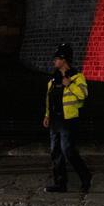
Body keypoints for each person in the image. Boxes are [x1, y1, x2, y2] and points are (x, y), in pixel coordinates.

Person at [43, 43, 91, 193]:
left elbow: (83, 95)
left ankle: (85, 177)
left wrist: (70, 84)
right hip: (55, 121)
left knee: (68, 150)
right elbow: (48, 99)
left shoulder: (77, 77)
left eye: (56, 59)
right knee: (55, 152)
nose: (54, 61)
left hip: (68, 120)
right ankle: (60, 184)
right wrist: (46, 115)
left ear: (64, 60)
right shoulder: (52, 80)